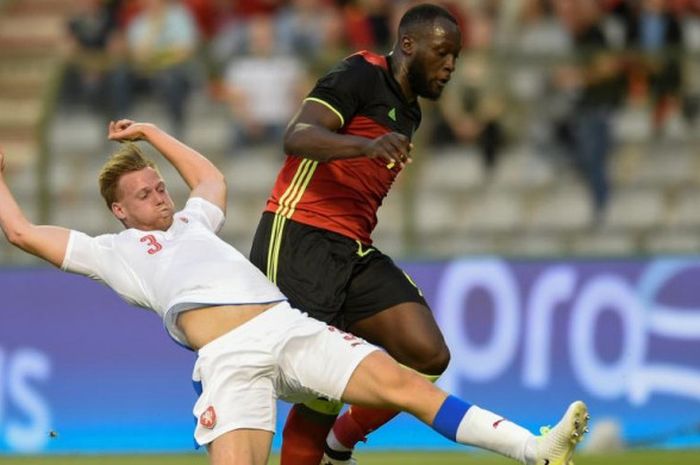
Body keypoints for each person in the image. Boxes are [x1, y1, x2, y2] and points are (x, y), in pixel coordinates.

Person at [0, 120, 589, 465]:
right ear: (119, 210)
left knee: (404, 383)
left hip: (287, 326)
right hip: (229, 361)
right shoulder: (112, 253)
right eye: (147, 193)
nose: (162, 195)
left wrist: (154, 134)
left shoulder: (194, 223)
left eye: (159, 185)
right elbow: (21, 232)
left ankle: (536, 450)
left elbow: (211, 179)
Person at [248, 4, 463, 464]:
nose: (450, 66)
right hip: (298, 235)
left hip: (352, 250)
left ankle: (339, 442)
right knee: (315, 390)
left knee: (428, 353)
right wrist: (365, 145)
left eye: (456, 58)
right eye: (443, 53)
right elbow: (298, 135)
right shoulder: (360, 73)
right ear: (408, 44)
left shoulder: (410, 112)